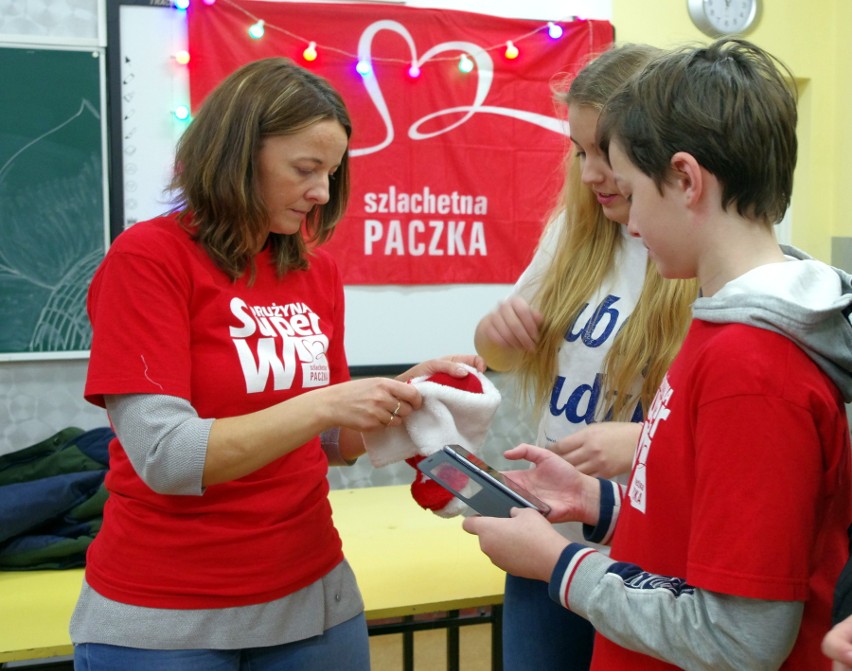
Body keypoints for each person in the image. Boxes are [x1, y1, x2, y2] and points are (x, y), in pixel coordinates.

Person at [70, 56, 485, 670]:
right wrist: (326, 402)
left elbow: (325, 442)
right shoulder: (149, 260)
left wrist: (402, 394)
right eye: (305, 169)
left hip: (313, 599)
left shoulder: (314, 271)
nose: (321, 192)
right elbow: (166, 457)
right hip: (167, 617)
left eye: (331, 172)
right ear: (239, 156)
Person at [464, 38, 852, 670]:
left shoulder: (752, 369)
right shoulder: (719, 329)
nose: (627, 218)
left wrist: (557, 563)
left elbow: (738, 638)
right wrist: (600, 502)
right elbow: (692, 529)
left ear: (685, 179)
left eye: (632, 190)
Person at [473, 44, 697, 669]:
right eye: (579, 153)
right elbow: (501, 355)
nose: (592, 172)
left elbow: (725, 429)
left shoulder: (692, 251)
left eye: (606, 152)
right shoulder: (574, 234)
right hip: (550, 539)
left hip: (641, 550)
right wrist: (496, 332)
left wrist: (640, 441)